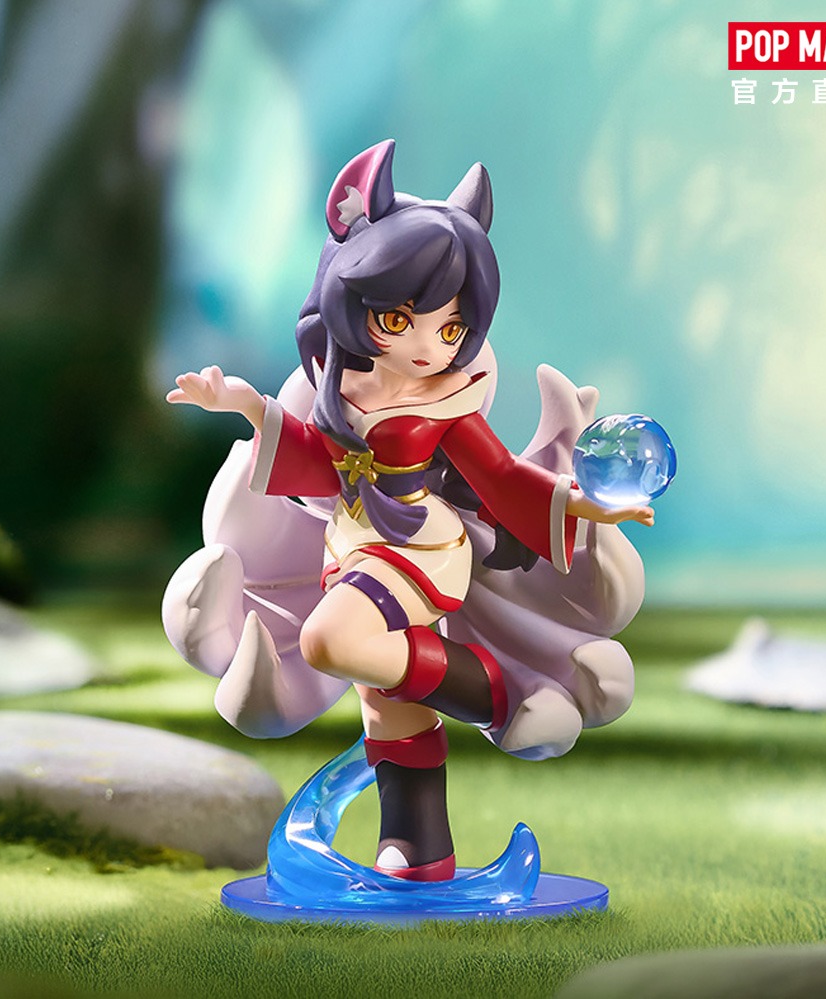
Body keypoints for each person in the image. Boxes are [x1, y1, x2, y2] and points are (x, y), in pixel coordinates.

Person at [164, 140, 651, 882]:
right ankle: (419, 849)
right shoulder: (346, 394)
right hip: (351, 545)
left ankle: (488, 690)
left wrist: (582, 506)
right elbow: (315, 462)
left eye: (449, 330)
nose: (427, 348)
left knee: (330, 640)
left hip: (420, 549)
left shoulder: (447, 404)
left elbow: (499, 477)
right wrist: (246, 406)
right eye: (402, 321)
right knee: (387, 705)